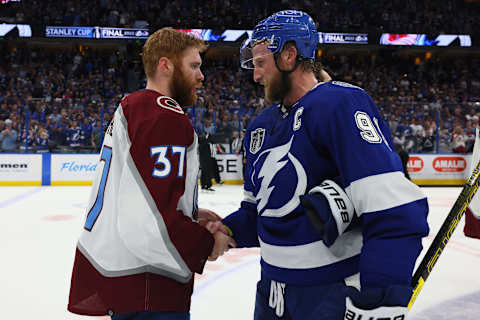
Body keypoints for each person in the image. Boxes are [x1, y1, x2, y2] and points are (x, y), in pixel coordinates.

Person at [207, 10, 429, 320]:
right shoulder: (261, 126)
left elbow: (392, 208)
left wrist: (380, 297)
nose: (255, 76)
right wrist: (227, 229)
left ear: (289, 55)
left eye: (261, 63)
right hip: (271, 292)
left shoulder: (339, 104)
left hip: (328, 293)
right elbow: (261, 212)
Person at [68, 28, 235, 320]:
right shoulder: (165, 117)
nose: (201, 76)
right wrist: (207, 243)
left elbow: (139, 197)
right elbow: (152, 219)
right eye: (194, 65)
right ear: (166, 65)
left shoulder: (135, 107)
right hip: (151, 286)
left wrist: (188, 212)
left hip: (129, 281)